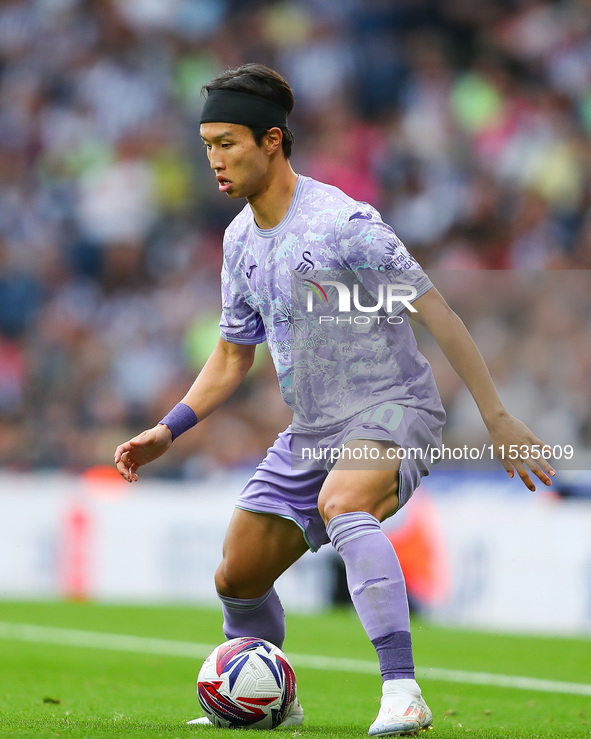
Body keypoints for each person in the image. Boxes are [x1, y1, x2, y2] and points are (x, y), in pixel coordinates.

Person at [114, 63, 555, 737]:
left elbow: (438, 314)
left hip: (391, 406)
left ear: (271, 140)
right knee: (236, 574)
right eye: (207, 145)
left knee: (345, 501)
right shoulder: (237, 242)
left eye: (227, 142)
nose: (214, 160)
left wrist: (494, 415)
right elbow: (234, 352)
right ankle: (272, 699)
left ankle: (402, 691)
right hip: (313, 424)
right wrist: (169, 428)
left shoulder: (345, 224)